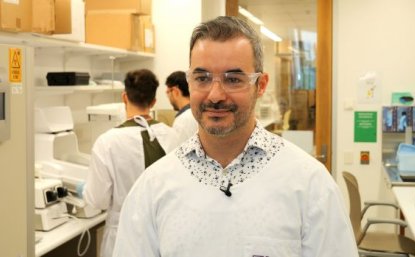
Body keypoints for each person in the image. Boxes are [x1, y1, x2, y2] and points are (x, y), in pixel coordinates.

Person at [113, 16, 358, 257]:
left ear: (260, 85)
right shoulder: (153, 187)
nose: (215, 95)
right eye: (202, 78)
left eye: (233, 79)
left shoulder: (310, 184)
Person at [82, 69, 178, 257]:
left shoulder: (107, 142)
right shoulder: (172, 136)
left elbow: (97, 200)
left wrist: (82, 190)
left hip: (121, 239)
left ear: (124, 97)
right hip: (163, 234)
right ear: (153, 102)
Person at [165, 71, 198, 143]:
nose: (167, 97)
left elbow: (175, 151)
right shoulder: (197, 113)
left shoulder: (183, 120)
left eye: (167, 92)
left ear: (175, 91)